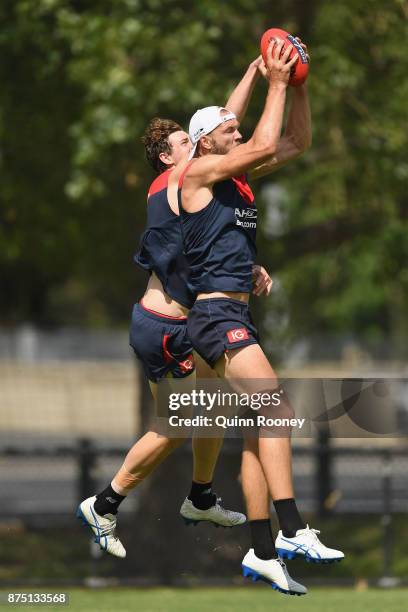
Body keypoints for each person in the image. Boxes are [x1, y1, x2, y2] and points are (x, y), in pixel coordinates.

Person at [75, 56, 271, 558]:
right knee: (178, 422)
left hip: (188, 323)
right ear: (169, 158)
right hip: (164, 325)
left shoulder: (189, 182)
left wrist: (253, 69)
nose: (198, 141)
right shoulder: (177, 179)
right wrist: (258, 80)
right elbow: (221, 127)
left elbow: (222, 125)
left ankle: (200, 495)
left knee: (216, 406)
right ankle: (104, 503)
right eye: (187, 140)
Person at [173, 38, 344, 595]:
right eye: (227, 128)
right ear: (202, 144)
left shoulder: (234, 178)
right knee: (277, 407)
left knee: (258, 428)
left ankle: (263, 549)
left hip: (231, 311)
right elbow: (263, 136)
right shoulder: (197, 174)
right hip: (215, 317)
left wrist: (299, 86)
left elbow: (295, 139)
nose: (238, 130)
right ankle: (293, 529)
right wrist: (272, 79)